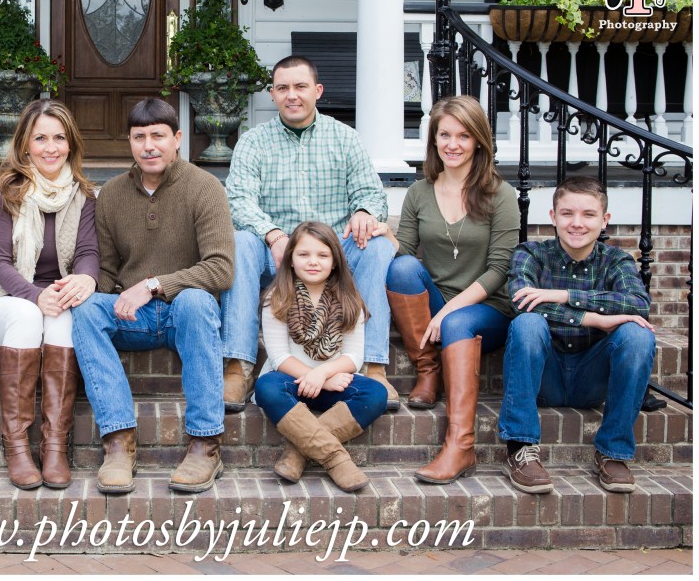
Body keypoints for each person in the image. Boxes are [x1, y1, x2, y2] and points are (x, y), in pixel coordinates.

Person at [71, 98, 235, 494]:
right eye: (139, 137)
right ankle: (118, 441)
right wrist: (85, 283)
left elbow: (221, 268)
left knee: (196, 300)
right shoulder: (110, 195)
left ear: (176, 139)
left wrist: (153, 285)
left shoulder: (205, 187)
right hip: (136, 320)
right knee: (87, 310)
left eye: (158, 136)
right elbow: (108, 269)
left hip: (185, 315)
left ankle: (205, 444)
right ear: (129, 142)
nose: (149, 145)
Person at [222, 55, 398, 413]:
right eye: (283, 88)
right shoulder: (254, 142)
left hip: (332, 256)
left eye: (300, 87)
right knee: (240, 241)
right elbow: (238, 200)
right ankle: (238, 365)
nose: (292, 95)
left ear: (317, 91)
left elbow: (370, 192)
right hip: (277, 256)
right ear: (272, 94)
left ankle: (375, 365)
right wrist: (271, 234)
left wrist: (365, 211)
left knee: (378, 245)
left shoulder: (345, 139)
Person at [0, 100, 99, 490]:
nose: (50, 147)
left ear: (70, 144)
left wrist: (85, 279)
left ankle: (55, 445)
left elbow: (88, 253)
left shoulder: (84, 196)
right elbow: (0, 262)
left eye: (59, 138)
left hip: (52, 300)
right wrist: (35, 295)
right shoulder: (5, 191)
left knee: (63, 315)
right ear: (25, 145)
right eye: (41, 138)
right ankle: (18, 446)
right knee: (28, 314)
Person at [382, 95, 519, 484]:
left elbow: (499, 270)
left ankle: (461, 446)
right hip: (439, 300)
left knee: (457, 323)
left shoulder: (500, 195)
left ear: (479, 141)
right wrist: (384, 236)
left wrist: (445, 313)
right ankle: (428, 370)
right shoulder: (419, 192)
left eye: (463, 135)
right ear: (434, 139)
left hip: (486, 306)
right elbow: (405, 255)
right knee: (404, 269)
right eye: (444, 134)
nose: (453, 144)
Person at [498, 176, 656, 495]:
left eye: (588, 214)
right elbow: (520, 300)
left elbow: (638, 304)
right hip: (546, 375)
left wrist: (562, 295)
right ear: (553, 216)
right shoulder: (530, 254)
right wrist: (595, 318)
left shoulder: (617, 261)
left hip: (592, 377)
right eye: (567, 213)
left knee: (638, 335)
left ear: (604, 220)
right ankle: (520, 448)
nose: (577, 223)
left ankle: (612, 453)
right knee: (527, 324)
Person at [254, 222, 388, 492]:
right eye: (304, 254)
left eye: (322, 255)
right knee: (266, 386)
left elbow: (354, 356)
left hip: (333, 381)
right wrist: (316, 377)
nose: (313, 262)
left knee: (376, 393)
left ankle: (297, 453)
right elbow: (279, 357)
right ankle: (336, 459)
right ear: (290, 260)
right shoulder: (276, 299)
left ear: (335, 262)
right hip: (292, 383)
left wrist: (322, 374)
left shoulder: (349, 300)